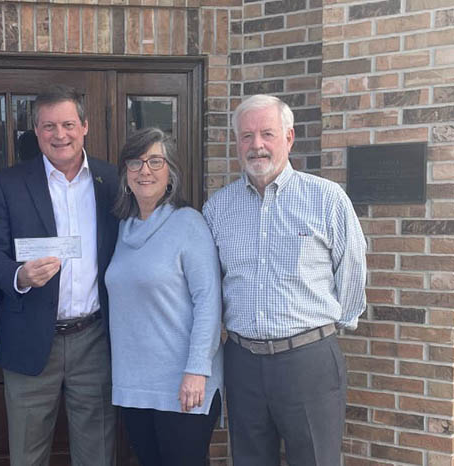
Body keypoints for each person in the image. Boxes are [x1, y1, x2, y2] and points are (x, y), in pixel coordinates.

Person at [202, 94, 367, 466]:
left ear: (289, 138)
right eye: (246, 136)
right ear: (236, 143)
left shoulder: (326, 199)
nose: (256, 145)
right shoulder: (218, 209)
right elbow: (210, 286)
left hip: (308, 360)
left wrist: (326, 330)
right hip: (242, 362)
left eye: (267, 134)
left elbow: (353, 271)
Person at [0, 85, 119, 465]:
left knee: (97, 453)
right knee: (27, 453)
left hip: (95, 338)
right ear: (36, 132)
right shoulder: (8, 184)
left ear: (85, 126)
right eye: (49, 126)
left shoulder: (112, 181)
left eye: (68, 124)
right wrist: (20, 275)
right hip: (30, 339)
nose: (60, 135)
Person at [105, 128, 222, 466]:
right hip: (134, 383)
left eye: (155, 161)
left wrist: (197, 369)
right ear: (125, 174)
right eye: (136, 162)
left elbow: (208, 302)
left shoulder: (189, 224)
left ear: (170, 173)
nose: (145, 170)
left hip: (183, 381)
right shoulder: (121, 228)